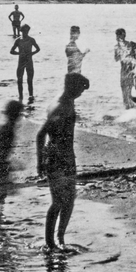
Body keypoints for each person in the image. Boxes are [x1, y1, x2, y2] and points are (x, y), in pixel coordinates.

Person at [37, 73, 89, 250]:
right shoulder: (60, 107)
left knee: (69, 200)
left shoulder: (66, 101)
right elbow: (41, 134)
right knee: (59, 201)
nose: (81, 94)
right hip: (58, 158)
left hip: (65, 157)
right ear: (72, 87)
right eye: (80, 90)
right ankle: (51, 242)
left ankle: (59, 238)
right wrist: (40, 162)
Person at [114, 29, 136, 108]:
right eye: (117, 35)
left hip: (132, 69)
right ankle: (127, 108)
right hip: (124, 69)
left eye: (119, 34)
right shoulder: (116, 46)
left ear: (123, 35)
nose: (117, 36)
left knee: (135, 86)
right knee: (124, 90)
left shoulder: (131, 44)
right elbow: (116, 59)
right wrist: (123, 56)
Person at [10, 23, 41, 102]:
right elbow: (11, 51)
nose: (25, 32)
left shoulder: (31, 39)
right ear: (21, 31)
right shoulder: (18, 40)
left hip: (29, 61)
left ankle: (30, 95)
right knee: (19, 80)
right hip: (21, 61)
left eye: (27, 31)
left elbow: (38, 49)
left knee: (29, 80)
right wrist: (19, 53)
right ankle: (20, 96)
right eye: (24, 31)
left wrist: (32, 53)